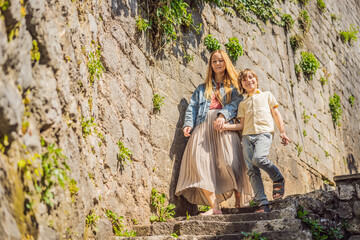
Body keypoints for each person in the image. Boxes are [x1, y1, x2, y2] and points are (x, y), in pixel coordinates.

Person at [175, 50, 252, 215]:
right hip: (202, 126)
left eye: (221, 61)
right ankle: (215, 207)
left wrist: (223, 115)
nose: (218, 64)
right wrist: (188, 124)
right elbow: (192, 107)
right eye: (214, 61)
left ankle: (239, 201)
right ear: (211, 65)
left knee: (231, 162)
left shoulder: (234, 88)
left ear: (226, 63)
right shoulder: (202, 88)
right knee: (198, 163)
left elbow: (237, 104)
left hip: (223, 126)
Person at [220, 68, 291, 212]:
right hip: (247, 137)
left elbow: (276, 114)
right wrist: (224, 126)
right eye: (244, 80)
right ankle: (262, 204)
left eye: (251, 77)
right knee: (252, 170)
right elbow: (242, 125)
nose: (248, 81)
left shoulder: (266, 96)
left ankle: (277, 178)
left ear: (256, 80)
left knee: (259, 158)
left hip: (264, 133)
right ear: (242, 85)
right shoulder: (242, 104)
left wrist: (282, 132)